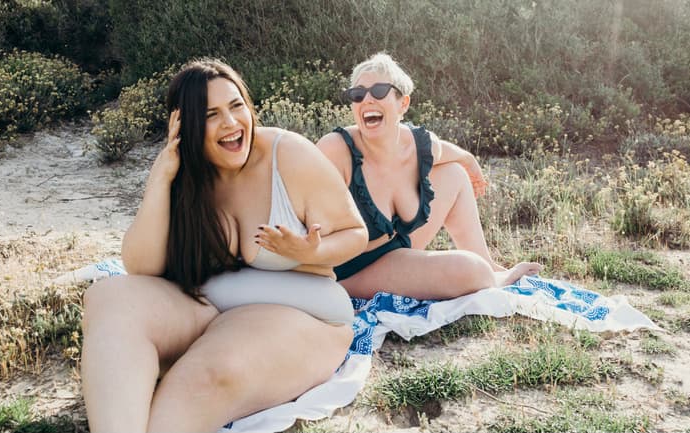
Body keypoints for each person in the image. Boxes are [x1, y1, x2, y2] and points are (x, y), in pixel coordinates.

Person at [81, 59, 368, 432]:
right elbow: (141, 267)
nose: (232, 123)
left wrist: (308, 252)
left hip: (302, 316)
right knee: (110, 297)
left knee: (206, 375)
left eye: (236, 106)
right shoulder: (187, 174)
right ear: (186, 127)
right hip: (208, 308)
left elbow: (355, 233)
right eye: (212, 114)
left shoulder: (288, 155)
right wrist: (161, 178)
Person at [317, 52, 542, 300]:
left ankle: (491, 267)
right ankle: (485, 275)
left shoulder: (417, 144)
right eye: (358, 94)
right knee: (470, 271)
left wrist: (468, 159)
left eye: (379, 91)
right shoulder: (336, 149)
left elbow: (444, 150)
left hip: (396, 251)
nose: (367, 99)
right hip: (348, 272)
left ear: (403, 104)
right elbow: (302, 212)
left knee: (454, 173)